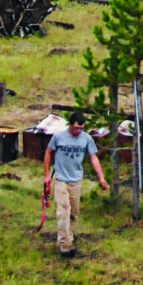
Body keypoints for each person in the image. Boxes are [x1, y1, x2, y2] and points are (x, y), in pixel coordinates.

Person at [34, 109, 107, 259]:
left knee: (74, 212)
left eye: (81, 128)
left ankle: (69, 237)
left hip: (76, 180)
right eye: (75, 128)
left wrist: (101, 178)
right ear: (70, 125)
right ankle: (64, 245)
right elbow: (48, 152)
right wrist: (47, 175)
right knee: (63, 210)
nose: (78, 131)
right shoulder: (59, 137)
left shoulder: (86, 139)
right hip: (61, 179)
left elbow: (93, 157)